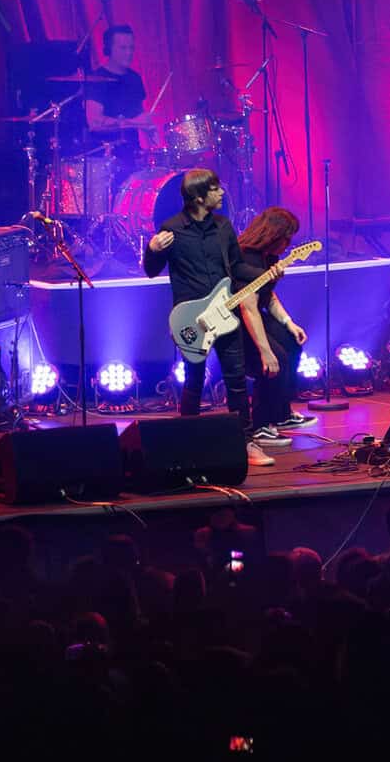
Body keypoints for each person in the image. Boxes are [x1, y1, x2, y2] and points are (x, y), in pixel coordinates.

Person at [143, 169, 264, 466]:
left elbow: (236, 267)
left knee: (236, 380)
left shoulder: (223, 226)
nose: (221, 193)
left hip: (225, 313)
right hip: (192, 320)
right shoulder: (172, 229)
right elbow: (151, 271)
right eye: (215, 189)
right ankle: (188, 442)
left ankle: (245, 441)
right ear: (198, 197)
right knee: (194, 381)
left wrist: (267, 274)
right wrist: (152, 249)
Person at [234, 206, 315, 449]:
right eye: (287, 238)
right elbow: (248, 307)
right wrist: (265, 350)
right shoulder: (246, 257)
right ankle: (260, 425)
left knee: (292, 344)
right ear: (273, 235)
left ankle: (281, 413)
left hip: (257, 312)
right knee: (273, 360)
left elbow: (268, 296)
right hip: (237, 321)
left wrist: (289, 323)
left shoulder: (269, 257)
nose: (288, 245)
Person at [82, 25, 156, 159]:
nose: (129, 53)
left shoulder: (135, 78)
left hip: (133, 152)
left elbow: (139, 115)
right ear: (108, 49)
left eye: (131, 48)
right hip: (105, 155)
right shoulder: (97, 79)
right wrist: (134, 122)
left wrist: (148, 128)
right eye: (123, 48)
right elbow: (94, 121)